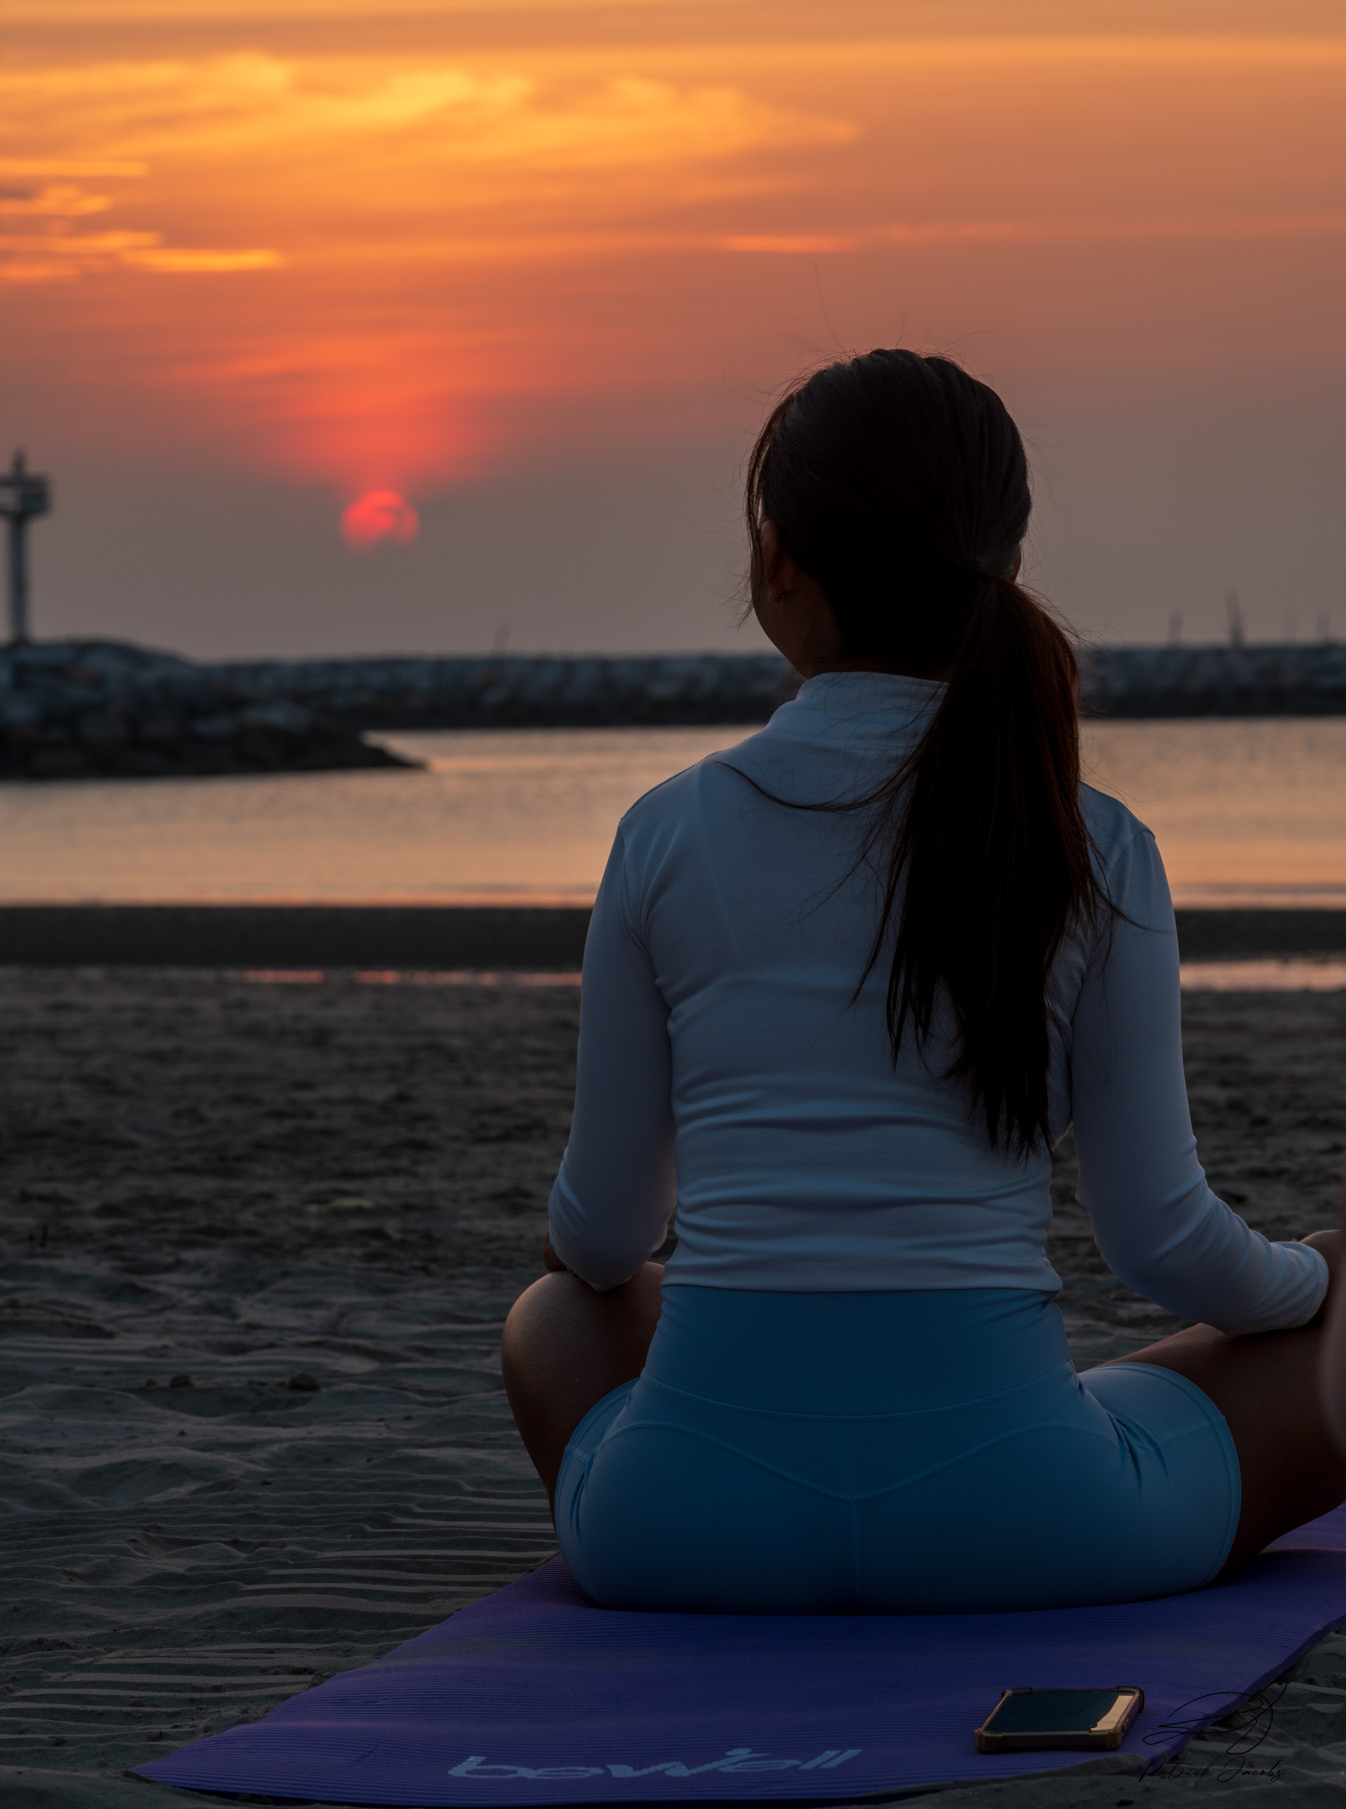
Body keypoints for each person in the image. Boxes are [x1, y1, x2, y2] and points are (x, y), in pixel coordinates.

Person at [502, 349, 1345, 1615]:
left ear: (778, 560)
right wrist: (1316, 1278)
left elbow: (607, 1233)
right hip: (1033, 1525)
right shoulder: (1092, 842)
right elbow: (1162, 1242)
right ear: (1006, 563)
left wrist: (596, 1256)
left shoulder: (665, 832)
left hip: (681, 1534)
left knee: (556, 1314)